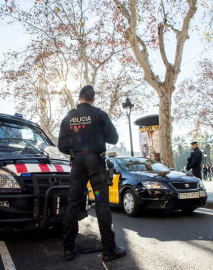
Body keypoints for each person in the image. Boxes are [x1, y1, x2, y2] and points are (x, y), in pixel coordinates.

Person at [58, 85, 126, 262]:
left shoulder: (68, 117)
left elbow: (62, 146)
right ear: (93, 99)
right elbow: (114, 138)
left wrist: (75, 148)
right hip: (95, 161)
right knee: (102, 204)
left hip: (78, 161)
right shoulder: (99, 114)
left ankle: (68, 249)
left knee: (73, 203)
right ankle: (109, 250)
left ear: (79, 98)